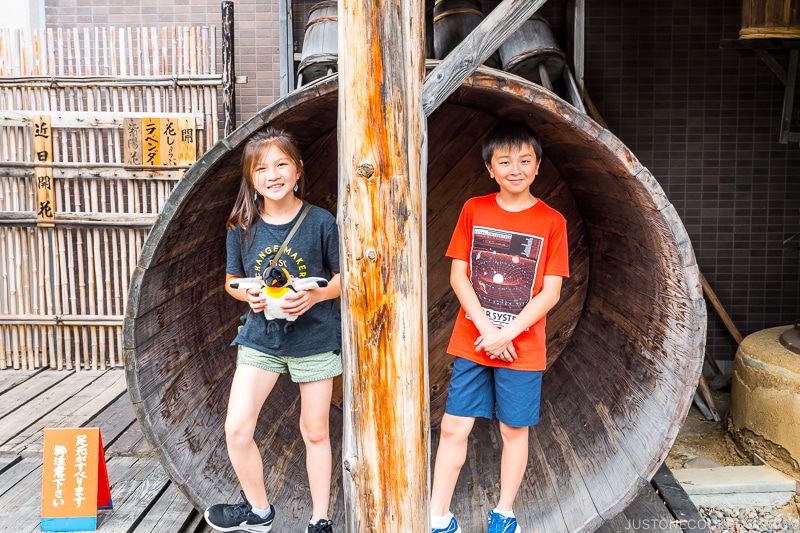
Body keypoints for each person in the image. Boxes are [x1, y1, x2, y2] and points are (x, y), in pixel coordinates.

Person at [429, 122, 569, 533]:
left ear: (538, 166)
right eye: (504, 161)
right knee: (455, 425)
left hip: (522, 346)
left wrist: (507, 334)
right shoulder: (474, 209)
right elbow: (459, 276)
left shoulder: (552, 221)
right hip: (475, 338)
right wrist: (490, 330)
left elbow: (551, 292)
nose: (515, 169)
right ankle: (438, 517)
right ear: (490, 168)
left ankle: (504, 514)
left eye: (525, 160)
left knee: (513, 429)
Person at [204, 128, 341, 533]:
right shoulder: (241, 226)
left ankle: (320, 520)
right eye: (261, 168)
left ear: (298, 170)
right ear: (251, 177)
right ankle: (260, 511)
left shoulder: (320, 221)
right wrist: (250, 298)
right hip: (261, 337)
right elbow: (232, 281)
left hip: (314, 338)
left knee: (314, 431)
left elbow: (343, 279)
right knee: (237, 428)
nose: (272, 174)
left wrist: (314, 298)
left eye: (281, 164)